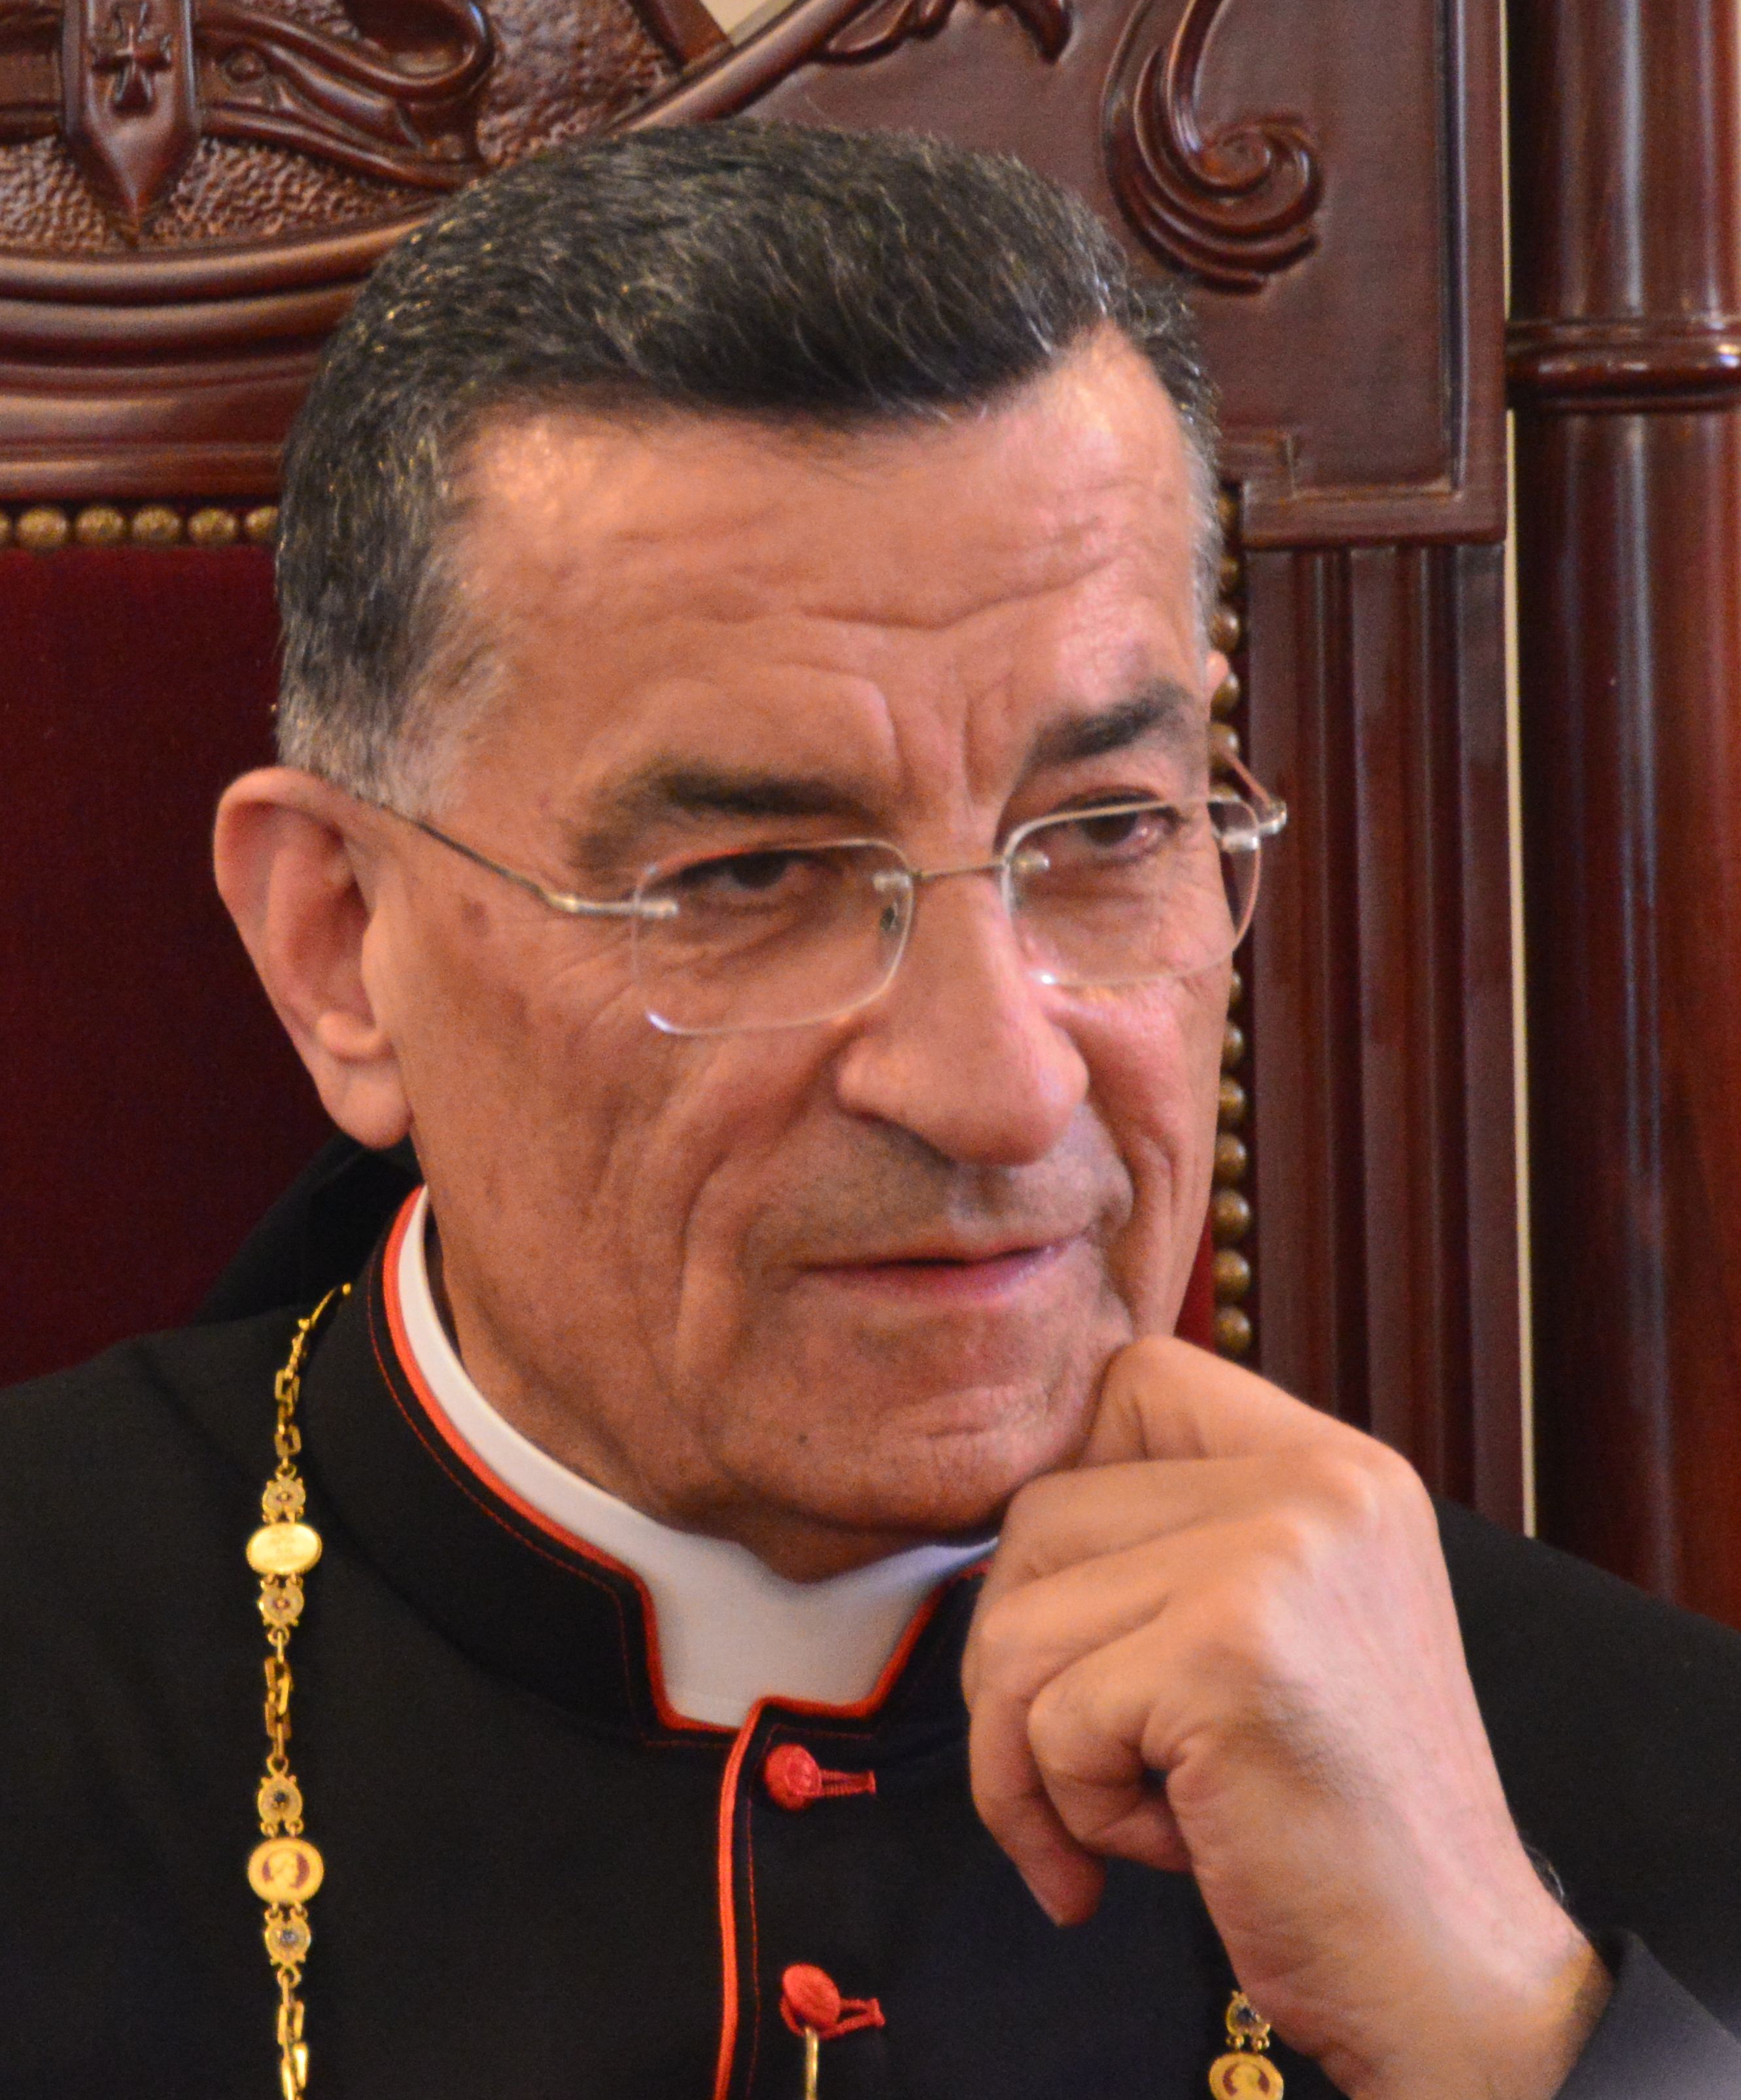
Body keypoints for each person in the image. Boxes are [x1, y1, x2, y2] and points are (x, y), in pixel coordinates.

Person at [3, 124, 1740, 2100]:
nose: (1002, 1087)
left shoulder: (1652, 1805)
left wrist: (1531, 2041)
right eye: (749, 877)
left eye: (1108, 833)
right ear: (341, 945)